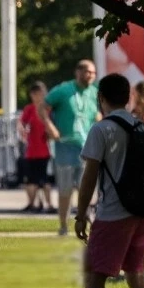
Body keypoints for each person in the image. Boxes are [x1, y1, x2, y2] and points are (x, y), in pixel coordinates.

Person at [54, 74, 144, 288]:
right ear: (128, 97)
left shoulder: (102, 129)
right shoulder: (141, 127)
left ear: (101, 97)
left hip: (113, 213)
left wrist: (81, 213)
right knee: (136, 276)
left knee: (96, 276)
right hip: (141, 212)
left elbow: (89, 175)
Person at [44, 60, 99, 237]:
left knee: (87, 189)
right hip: (65, 146)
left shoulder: (94, 92)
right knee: (65, 189)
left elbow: (96, 114)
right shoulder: (63, 90)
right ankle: (63, 225)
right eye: (87, 72)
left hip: (87, 148)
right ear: (78, 72)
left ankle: (85, 222)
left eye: (93, 73)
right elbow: (42, 107)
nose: (90, 75)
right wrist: (50, 126)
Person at [16, 81, 54, 213]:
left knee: (44, 179)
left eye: (40, 94)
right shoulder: (29, 109)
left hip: (45, 150)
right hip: (31, 150)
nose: (38, 97)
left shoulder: (48, 110)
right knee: (31, 179)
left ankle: (48, 204)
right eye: (35, 94)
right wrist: (22, 129)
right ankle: (32, 203)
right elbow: (21, 122)